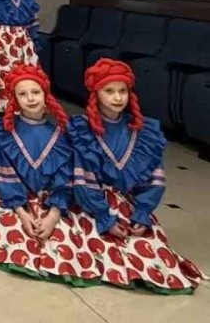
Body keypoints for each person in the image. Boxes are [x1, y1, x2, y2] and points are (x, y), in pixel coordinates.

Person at [70, 59, 204, 292]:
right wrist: (104, 217)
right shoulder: (82, 128)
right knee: (102, 250)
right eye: (109, 91)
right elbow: (83, 181)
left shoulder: (144, 130)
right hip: (93, 206)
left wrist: (141, 213)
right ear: (95, 93)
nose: (117, 97)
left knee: (153, 256)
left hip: (130, 206)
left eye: (122, 91)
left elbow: (154, 179)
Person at [0, 65, 98, 285]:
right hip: (14, 200)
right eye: (22, 94)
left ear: (46, 94)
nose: (30, 98)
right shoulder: (4, 133)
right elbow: (4, 176)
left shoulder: (62, 136)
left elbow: (64, 181)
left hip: (51, 200)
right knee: (14, 232)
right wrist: (22, 212)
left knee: (63, 237)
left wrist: (53, 215)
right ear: (14, 99)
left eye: (35, 92)